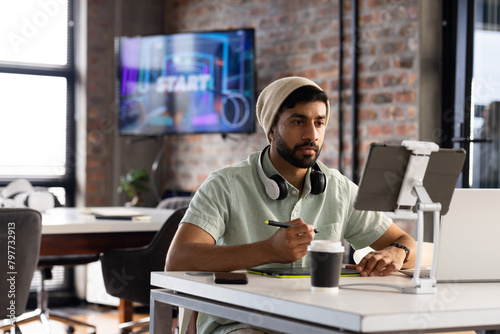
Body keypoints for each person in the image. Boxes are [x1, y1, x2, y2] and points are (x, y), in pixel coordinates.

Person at [165, 76, 416, 334]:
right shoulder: (225, 184)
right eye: (298, 122)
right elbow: (178, 260)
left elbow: (407, 243)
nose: (312, 134)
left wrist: (397, 253)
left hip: (316, 324)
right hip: (241, 324)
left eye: (319, 123)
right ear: (272, 129)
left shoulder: (338, 188)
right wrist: (268, 250)